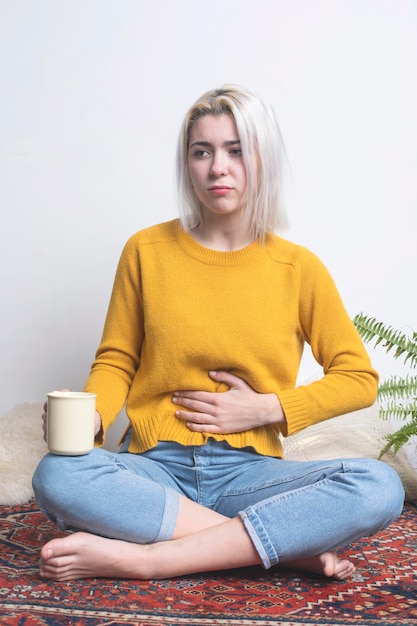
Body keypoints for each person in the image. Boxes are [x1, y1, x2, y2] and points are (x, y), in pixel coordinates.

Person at [32, 84, 404, 582]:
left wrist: (268, 408)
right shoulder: (146, 250)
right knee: (57, 473)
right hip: (153, 468)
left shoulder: (297, 267)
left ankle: (148, 559)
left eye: (235, 150)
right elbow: (117, 359)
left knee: (379, 486)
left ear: (262, 161)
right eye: (201, 151)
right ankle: (280, 548)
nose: (217, 167)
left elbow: (358, 377)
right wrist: (91, 418)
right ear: (187, 163)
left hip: (250, 474)